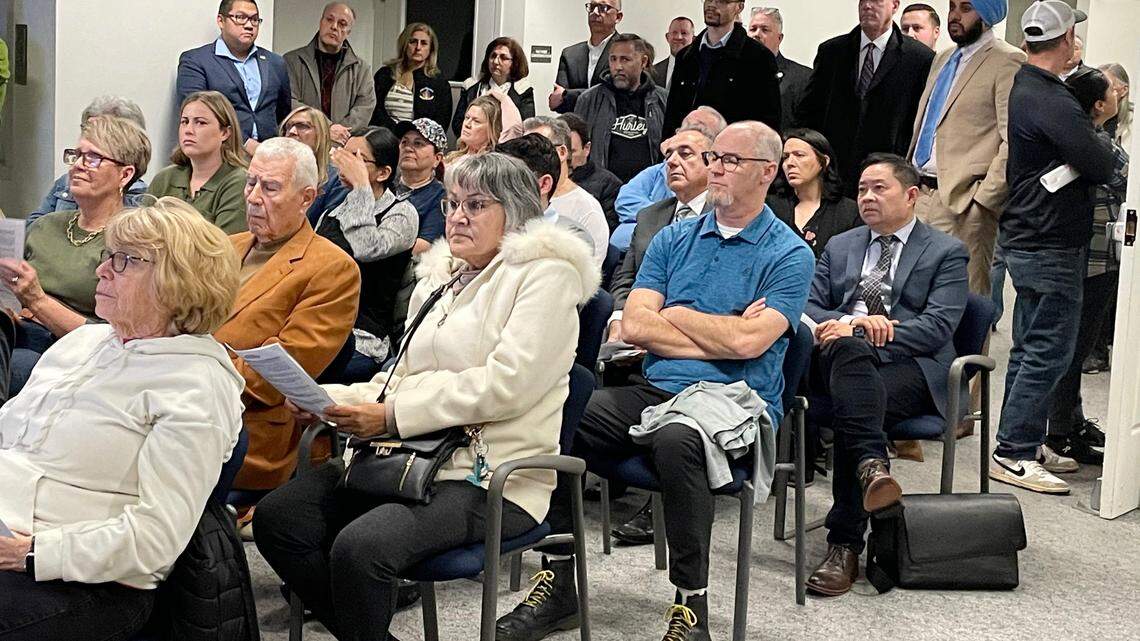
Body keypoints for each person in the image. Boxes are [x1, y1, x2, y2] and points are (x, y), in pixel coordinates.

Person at [254, 152, 599, 641]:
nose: (457, 216)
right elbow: (400, 375)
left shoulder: (544, 275)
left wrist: (391, 416)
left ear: (516, 213)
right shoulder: (442, 277)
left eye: (476, 205)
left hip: (489, 473)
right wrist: (325, 399)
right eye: (454, 203)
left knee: (361, 549)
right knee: (279, 519)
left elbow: (508, 384)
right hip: (409, 455)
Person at [497, 121, 814, 641]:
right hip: (657, 387)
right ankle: (557, 580)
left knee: (679, 438)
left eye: (731, 160)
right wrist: (720, 325)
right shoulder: (672, 236)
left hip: (733, 399)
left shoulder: (789, 253)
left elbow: (747, 347)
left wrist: (679, 314)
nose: (716, 168)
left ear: (768, 173)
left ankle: (692, 606)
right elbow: (637, 324)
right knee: (560, 408)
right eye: (715, 157)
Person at [0, 199, 244, 640]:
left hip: (80, 578)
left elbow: (155, 541)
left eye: (124, 261)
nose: (102, 271)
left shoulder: (196, 385)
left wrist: (29, 553)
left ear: (177, 283)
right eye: (107, 256)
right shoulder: (88, 342)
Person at [801, 153, 968, 597]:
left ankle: (844, 545)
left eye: (880, 188)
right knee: (852, 362)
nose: (867, 197)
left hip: (908, 366)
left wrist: (874, 327)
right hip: (841, 356)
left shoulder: (946, 251)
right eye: (861, 189)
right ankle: (873, 470)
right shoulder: (840, 245)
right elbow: (810, 306)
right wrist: (848, 326)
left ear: (911, 196)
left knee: (853, 406)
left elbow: (939, 326)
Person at [990, 1, 1116, 495]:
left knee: (1029, 347)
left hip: (1028, 235)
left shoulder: (1029, 87)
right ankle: (1014, 451)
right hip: (1050, 242)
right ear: (1064, 42)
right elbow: (1101, 164)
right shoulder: (1055, 100)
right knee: (1048, 350)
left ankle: (1015, 441)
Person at [215, 137, 360, 495]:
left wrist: (188, 366)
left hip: (250, 428)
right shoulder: (223, 248)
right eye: (251, 183)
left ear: (307, 198)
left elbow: (273, 377)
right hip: (187, 404)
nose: (252, 197)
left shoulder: (333, 269)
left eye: (270, 187)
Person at [1, 116, 151, 396]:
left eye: (94, 158)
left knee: (22, 365)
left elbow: (118, 335)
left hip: (84, 354)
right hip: (22, 334)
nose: (79, 165)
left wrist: (38, 301)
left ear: (125, 174)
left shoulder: (131, 242)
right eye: (77, 155)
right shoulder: (47, 226)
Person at [908, 0, 1023, 295]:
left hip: (964, 200)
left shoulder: (1008, 60)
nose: (955, 16)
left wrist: (984, 200)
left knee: (963, 297)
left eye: (966, 8)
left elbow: (1013, 137)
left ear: (987, 15)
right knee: (913, 292)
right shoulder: (944, 57)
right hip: (920, 191)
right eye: (952, 7)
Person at [1043, 68, 1128, 466]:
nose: (1119, 94)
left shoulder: (1086, 136)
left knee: (1075, 345)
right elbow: (1130, 179)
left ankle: (1070, 423)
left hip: (1092, 255)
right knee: (1074, 347)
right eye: (1112, 90)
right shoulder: (1096, 142)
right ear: (1098, 104)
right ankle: (1059, 432)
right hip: (1092, 257)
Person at [795, 0, 934, 193]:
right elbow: (809, 111)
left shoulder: (919, 58)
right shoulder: (832, 52)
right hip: (833, 174)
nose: (867, 6)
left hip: (887, 174)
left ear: (894, 5)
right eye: (863, 1)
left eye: (876, 0)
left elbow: (918, 122)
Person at [316, 128, 418, 383]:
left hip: (363, 336)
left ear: (383, 173)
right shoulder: (336, 209)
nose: (344, 164)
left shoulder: (402, 213)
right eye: (343, 155)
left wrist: (361, 187)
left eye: (355, 159)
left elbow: (365, 248)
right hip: (321, 321)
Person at [611, 106, 727, 250]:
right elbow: (625, 199)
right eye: (685, 128)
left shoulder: (727, 209)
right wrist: (659, 217)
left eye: (685, 153)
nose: (671, 161)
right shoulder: (659, 171)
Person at [176, 0, 292, 143]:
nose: (249, 25)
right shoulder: (196, 61)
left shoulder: (275, 62)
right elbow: (198, 114)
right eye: (240, 18)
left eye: (254, 20)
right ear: (221, 21)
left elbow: (283, 114)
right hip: (222, 154)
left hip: (269, 154)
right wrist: (246, 144)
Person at [663, 0, 781, 138]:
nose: (712, 4)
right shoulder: (686, 57)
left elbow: (768, 124)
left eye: (722, 1)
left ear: (739, 7)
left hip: (732, 152)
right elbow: (672, 116)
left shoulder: (758, 58)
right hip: (686, 149)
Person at [28, 97, 149, 226]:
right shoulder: (66, 182)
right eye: (87, 128)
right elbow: (33, 228)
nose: (78, 164)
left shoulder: (139, 199)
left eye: (104, 131)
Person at [147, 90, 250, 234]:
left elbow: (225, 246)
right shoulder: (165, 178)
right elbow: (141, 234)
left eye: (200, 123)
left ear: (225, 133)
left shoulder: (238, 181)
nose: (188, 130)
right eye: (185, 122)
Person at [574, 34, 668, 184]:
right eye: (613, 59)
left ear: (643, 61)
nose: (618, 66)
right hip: (603, 193)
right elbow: (576, 149)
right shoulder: (589, 100)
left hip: (651, 191)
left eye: (625, 59)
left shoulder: (663, 100)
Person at [283, 2, 376, 146]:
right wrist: (327, 128)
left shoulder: (361, 69)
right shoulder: (292, 61)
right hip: (301, 143)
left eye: (342, 23)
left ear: (348, 32)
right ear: (321, 22)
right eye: (329, 20)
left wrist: (338, 133)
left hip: (342, 145)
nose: (334, 27)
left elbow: (364, 108)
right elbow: (290, 100)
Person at [524, 116, 610, 268]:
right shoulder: (515, 199)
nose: (525, 158)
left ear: (562, 152)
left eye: (536, 149)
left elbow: (587, 274)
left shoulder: (587, 209)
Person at [769, 128, 861, 258]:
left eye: (799, 155)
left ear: (824, 161)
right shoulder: (769, 207)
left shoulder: (849, 212)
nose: (790, 163)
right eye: (785, 157)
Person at [370, 23, 453, 131]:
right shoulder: (385, 75)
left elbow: (441, 123)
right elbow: (375, 110)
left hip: (421, 141)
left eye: (424, 43)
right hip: (385, 137)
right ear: (404, 45)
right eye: (413, 42)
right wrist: (395, 133)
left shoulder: (439, 83)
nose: (418, 47)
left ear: (431, 49)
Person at [453, 37, 536, 137]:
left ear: (515, 63)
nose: (496, 62)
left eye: (503, 58)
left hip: (507, 148)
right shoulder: (471, 86)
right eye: (493, 56)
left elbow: (526, 128)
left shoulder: (523, 89)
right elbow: (458, 124)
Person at [550, 0, 623, 114]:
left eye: (603, 8)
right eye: (592, 7)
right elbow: (558, 103)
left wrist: (568, 95)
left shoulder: (626, 52)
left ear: (618, 17)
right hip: (575, 127)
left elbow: (619, 95)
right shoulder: (570, 54)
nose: (594, 12)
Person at [749, 7, 813, 133]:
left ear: (779, 38)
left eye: (764, 30)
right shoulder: (733, 74)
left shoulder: (802, 78)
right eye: (753, 29)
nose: (756, 34)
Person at [281, 105, 348, 224]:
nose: (292, 132)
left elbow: (328, 230)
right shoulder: (271, 172)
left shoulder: (337, 179)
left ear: (321, 134)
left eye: (302, 126)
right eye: (288, 127)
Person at [393, 118, 449, 255]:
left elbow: (423, 246)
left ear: (437, 158)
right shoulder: (384, 183)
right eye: (404, 142)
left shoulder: (440, 197)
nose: (408, 148)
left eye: (418, 143)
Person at [560, 113, 623, 231]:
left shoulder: (609, 185)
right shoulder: (544, 181)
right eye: (560, 151)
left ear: (587, 148)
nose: (565, 158)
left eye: (572, 151)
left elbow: (608, 230)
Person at [446, 94, 510, 164]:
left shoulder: (493, 166)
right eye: (467, 118)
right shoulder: (452, 157)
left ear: (492, 129)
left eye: (476, 121)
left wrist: (503, 97)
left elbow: (515, 126)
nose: (467, 124)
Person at [653, 16, 695, 90]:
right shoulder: (652, 72)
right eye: (674, 33)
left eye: (684, 33)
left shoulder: (702, 71)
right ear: (667, 37)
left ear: (694, 39)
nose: (678, 37)